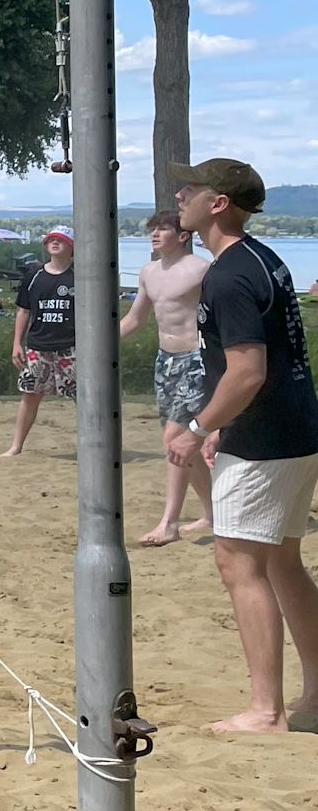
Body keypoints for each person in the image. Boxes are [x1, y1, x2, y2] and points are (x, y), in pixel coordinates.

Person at [163, 159, 318, 733]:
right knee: (282, 562)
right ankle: (314, 699)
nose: (180, 195)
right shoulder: (263, 259)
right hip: (295, 429)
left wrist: (199, 426)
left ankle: (265, 711)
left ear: (219, 203)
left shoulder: (228, 273)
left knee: (237, 560)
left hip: (266, 442)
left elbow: (247, 371)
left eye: (191, 188)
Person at [120, 208, 214, 545]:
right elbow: (134, 319)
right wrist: (97, 341)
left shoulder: (201, 269)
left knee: (175, 438)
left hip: (196, 358)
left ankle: (169, 523)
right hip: (165, 360)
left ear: (184, 235)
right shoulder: (148, 272)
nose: (155, 234)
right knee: (182, 445)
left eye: (163, 229)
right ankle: (211, 512)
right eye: (152, 229)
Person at [1, 225, 77, 458]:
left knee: (83, 397)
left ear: (72, 247)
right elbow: (23, 311)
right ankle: (16, 446)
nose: (55, 243)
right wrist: (16, 343)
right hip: (38, 346)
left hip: (71, 347)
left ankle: (94, 446)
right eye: (51, 240)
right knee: (30, 395)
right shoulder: (33, 276)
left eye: (61, 240)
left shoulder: (80, 276)